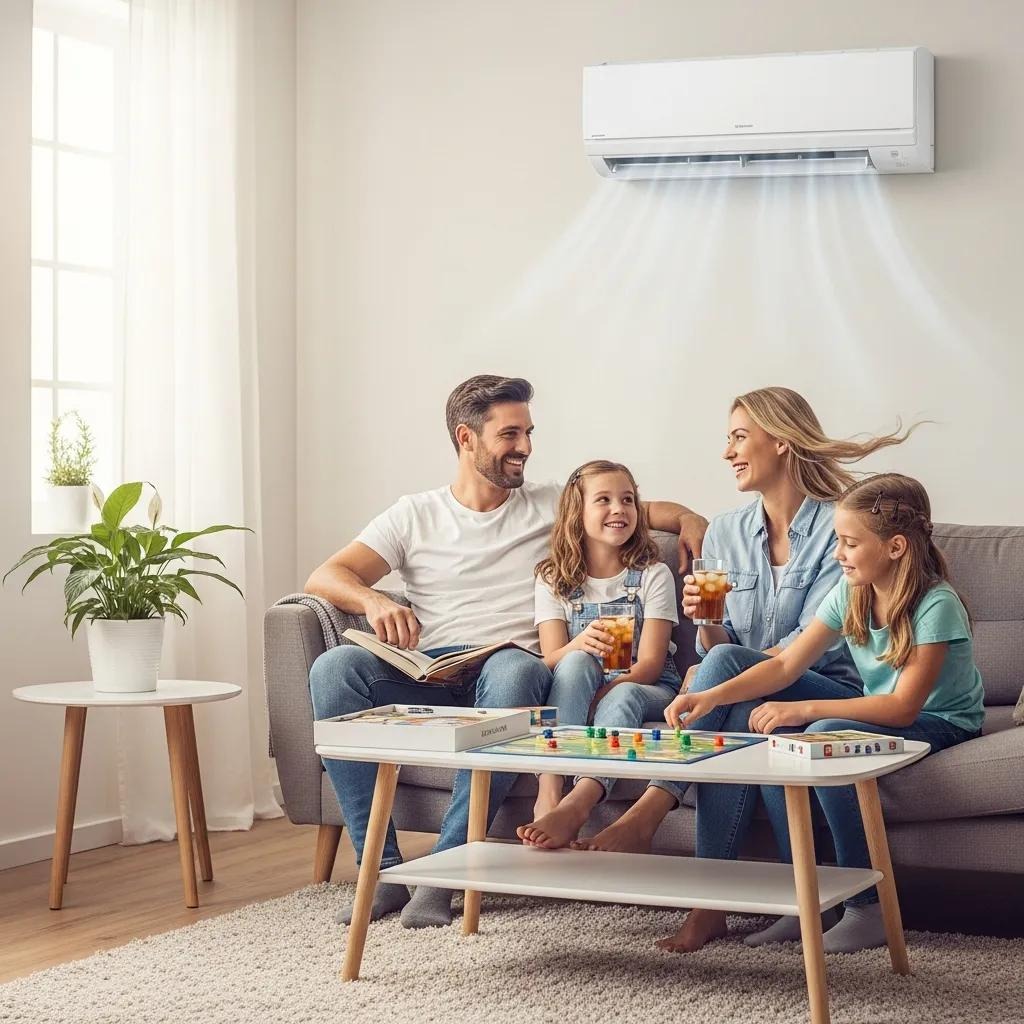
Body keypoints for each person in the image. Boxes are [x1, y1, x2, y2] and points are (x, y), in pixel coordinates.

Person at [305, 374, 707, 929]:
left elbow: (639, 509)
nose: (525, 447)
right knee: (333, 669)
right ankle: (383, 868)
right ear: (466, 438)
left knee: (516, 671)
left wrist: (690, 520)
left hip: (508, 665)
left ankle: (445, 869)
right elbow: (325, 575)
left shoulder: (548, 505)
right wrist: (372, 600)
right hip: (430, 667)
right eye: (510, 434)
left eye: (528, 432)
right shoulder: (413, 514)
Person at [570, 386, 912, 859]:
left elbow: (812, 648)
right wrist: (704, 621)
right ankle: (710, 900)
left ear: (781, 442)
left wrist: (722, 669)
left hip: (822, 684)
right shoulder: (727, 531)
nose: (727, 452)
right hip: (749, 686)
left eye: (738, 437)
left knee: (727, 671)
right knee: (730, 700)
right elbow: (718, 644)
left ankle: (651, 807)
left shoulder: (843, 530)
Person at [658, 473, 985, 954]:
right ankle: (807, 902)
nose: (839, 554)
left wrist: (804, 708)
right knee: (777, 737)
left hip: (942, 723)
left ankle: (867, 908)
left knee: (824, 733)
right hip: (887, 712)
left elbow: (901, 707)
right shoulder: (853, 593)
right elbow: (787, 663)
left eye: (851, 543)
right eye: (838, 541)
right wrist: (714, 697)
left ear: (895, 547)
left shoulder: (935, 604)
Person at [515, 460, 681, 850]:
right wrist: (579, 645)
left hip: (647, 685)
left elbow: (652, 664)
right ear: (578, 511)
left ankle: (581, 800)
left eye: (627, 500)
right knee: (575, 661)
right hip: (579, 684)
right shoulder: (553, 578)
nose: (618, 509)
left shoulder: (653, 575)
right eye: (603, 499)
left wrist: (604, 693)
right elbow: (552, 659)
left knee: (622, 694)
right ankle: (551, 788)